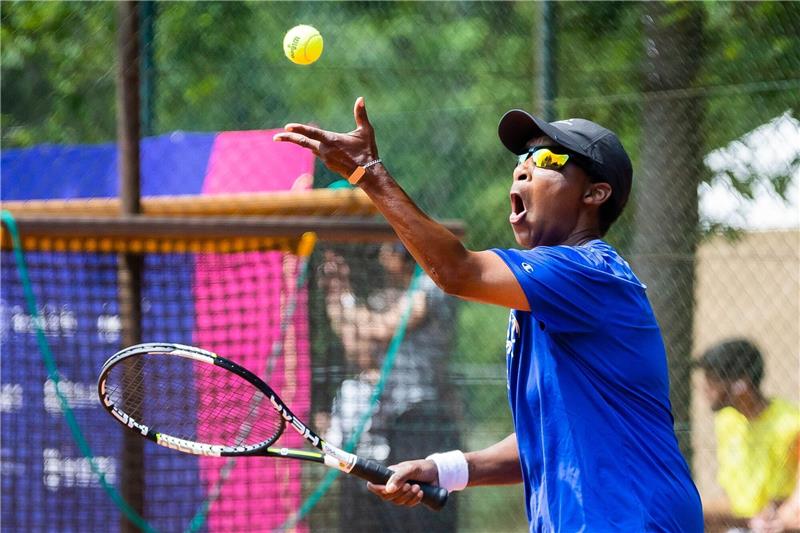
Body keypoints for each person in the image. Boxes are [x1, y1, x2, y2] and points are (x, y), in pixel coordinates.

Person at [274, 98, 704, 531]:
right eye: (522, 159)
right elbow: (544, 437)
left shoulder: (588, 271)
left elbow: (456, 270)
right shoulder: (548, 298)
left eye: (547, 159)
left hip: (635, 519)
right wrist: (441, 468)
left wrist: (367, 171)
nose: (523, 168)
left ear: (594, 193)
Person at [319, 243, 460, 532]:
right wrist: (338, 291)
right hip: (396, 420)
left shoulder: (430, 286)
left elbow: (380, 327)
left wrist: (346, 301)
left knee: (425, 518)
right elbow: (356, 341)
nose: (382, 258)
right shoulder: (394, 296)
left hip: (424, 417)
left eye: (387, 251)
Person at [695, 339, 800, 532]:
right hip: (741, 521)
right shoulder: (726, 421)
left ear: (740, 385)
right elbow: (732, 500)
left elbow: (788, 505)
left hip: (776, 523)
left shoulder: (791, 424)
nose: (705, 387)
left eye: (713, 379)